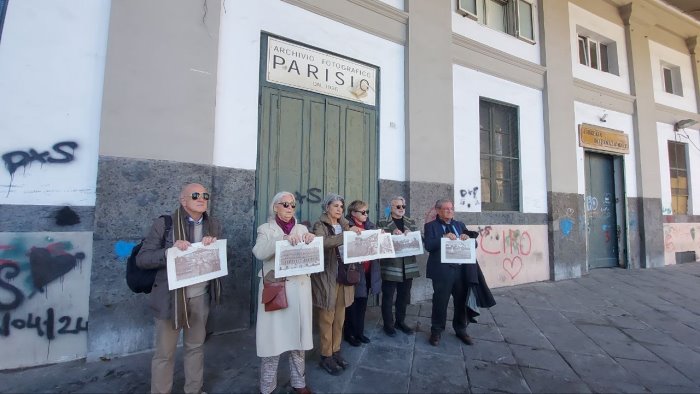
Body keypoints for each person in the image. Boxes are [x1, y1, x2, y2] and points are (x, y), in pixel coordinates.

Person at [136, 183, 223, 394]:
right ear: (183, 201)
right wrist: (169, 252)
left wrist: (213, 246)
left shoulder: (213, 225)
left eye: (205, 195)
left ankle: (194, 389)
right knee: (165, 353)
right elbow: (143, 259)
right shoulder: (165, 224)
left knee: (195, 348)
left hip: (200, 296)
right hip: (170, 298)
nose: (201, 198)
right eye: (195, 195)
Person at [252, 192, 314, 394]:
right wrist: (282, 239)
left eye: (293, 205)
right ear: (275, 207)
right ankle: (267, 387)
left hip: (299, 290)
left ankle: (299, 383)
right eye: (285, 204)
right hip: (276, 289)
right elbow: (259, 252)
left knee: (298, 341)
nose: (289, 208)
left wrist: (311, 241)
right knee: (273, 341)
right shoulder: (265, 229)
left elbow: (312, 259)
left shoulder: (302, 228)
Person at [424, 198, 495, 347]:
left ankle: (461, 329)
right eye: (446, 209)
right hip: (442, 272)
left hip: (461, 271)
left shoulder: (459, 225)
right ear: (438, 211)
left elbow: (473, 244)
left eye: (451, 209)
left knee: (461, 301)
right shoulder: (431, 226)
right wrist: (442, 238)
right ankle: (436, 331)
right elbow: (429, 246)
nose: (450, 211)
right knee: (440, 302)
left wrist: (467, 238)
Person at [311, 193, 361, 375]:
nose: (339, 209)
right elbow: (321, 243)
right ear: (327, 208)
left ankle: (336, 350)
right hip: (327, 277)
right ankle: (326, 355)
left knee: (340, 317)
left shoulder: (346, 225)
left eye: (341, 206)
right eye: (335, 206)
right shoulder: (320, 225)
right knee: (327, 317)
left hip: (344, 275)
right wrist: (346, 236)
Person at [377, 196, 420, 337]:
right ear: (391, 207)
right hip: (391, 265)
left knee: (404, 296)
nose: (401, 209)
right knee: (388, 296)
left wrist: (411, 235)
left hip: (408, 265)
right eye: (398, 206)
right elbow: (378, 243)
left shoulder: (410, 222)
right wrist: (390, 234)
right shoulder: (382, 222)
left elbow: (419, 241)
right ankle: (388, 325)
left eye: (403, 206)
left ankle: (400, 322)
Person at [343, 200, 381, 346]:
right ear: (353, 213)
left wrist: (381, 235)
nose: (366, 215)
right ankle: (349, 334)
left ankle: (359, 332)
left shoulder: (370, 226)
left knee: (363, 304)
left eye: (367, 212)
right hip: (354, 271)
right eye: (363, 212)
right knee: (352, 305)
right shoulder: (347, 226)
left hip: (368, 270)